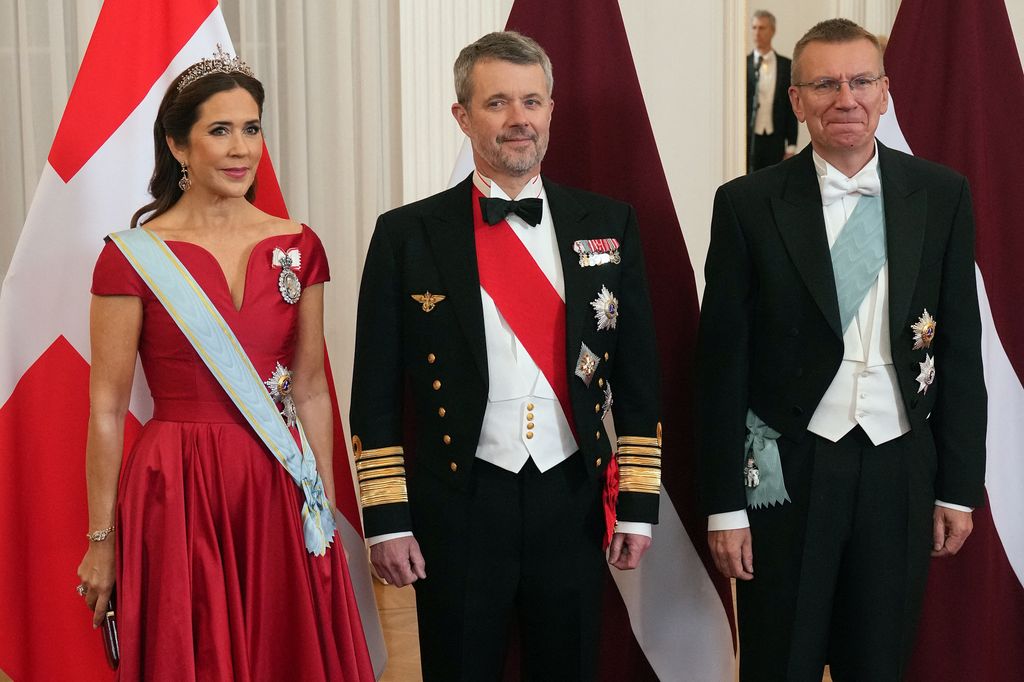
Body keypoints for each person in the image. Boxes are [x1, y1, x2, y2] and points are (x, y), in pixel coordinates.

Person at [350, 31, 662, 681]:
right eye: (497, 103)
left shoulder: (609, 224)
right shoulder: (407, 235)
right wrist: (386, 521)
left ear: (551, 111)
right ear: (462, 117)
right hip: (459, 499)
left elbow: (639, 378)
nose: (519, 119)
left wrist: (636, 502)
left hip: (572, 498)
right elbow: (375, 393)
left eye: (532, 101)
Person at [698, 18, 986, 682]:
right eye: (825, 84)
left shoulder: (941, 194)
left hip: (900, 467)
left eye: (860, 81)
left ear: (884, 92)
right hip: (788, 470)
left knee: (880, 664)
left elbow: (961, 352)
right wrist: (724, 503)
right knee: (780, 663)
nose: (845, 99)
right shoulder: (747, 204)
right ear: (796, 100)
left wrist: (958, 488)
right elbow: (720, 365)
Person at [75, 48, 374, 680]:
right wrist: (102, 540)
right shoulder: (131, 256)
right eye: (220, 130)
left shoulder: (299, 245)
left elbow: (312, 390)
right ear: (177, 145)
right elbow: (106, 408)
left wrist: (322, 506)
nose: (242, 149)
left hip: (276, 481)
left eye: (252, 128)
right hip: (176, 485)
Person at [748, 9, 799, 172]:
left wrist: (791, 145)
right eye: (754, 27)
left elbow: (791, 106)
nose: (757, 33)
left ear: (772, 31)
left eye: (762, 28)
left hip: (776, 138)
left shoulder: (786, 65)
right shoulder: (743, 65)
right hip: (749, 139)